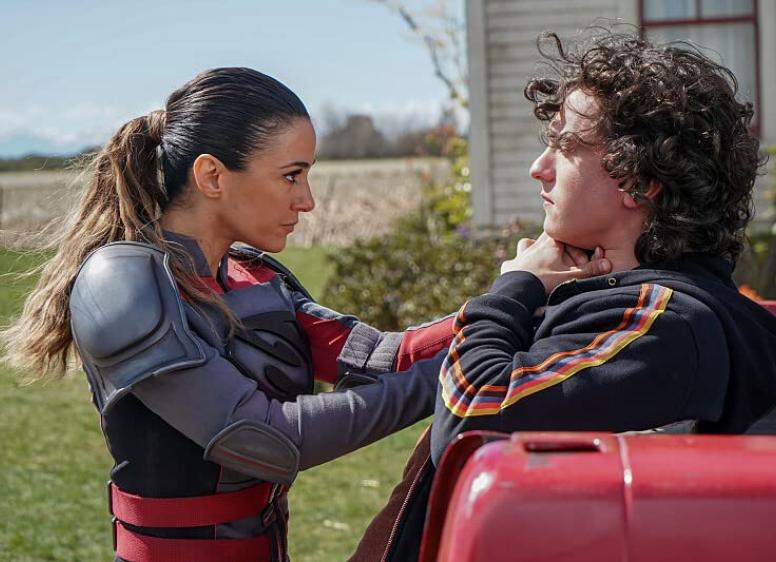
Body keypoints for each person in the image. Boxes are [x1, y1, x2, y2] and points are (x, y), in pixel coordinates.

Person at [349, 29, 776, 562]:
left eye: (566, 146)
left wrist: (514, 286)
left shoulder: (661, 322)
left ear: (639, 181)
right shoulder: (636, 304)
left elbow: (471, 418)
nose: (539, 167)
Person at [0, 67, 455, 562]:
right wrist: (453, 375)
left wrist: (508, 304)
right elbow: (264, 438)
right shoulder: (123, 285)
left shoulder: (252, 275)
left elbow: (384, 358)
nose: (307, 200)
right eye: (291, 175)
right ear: (212, 176)